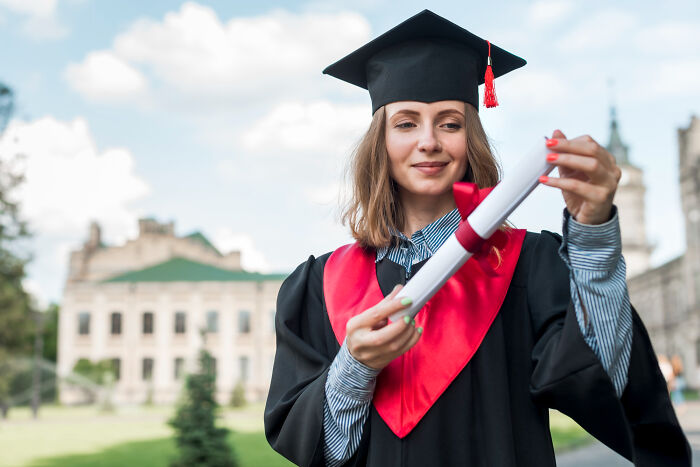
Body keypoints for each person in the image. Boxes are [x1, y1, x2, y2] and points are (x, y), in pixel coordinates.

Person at [264, 10, 690, 467]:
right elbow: (320, 455)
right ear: (379, 144)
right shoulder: (320, 284)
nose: (428, 141)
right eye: (406, 124)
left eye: (449, 123)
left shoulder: (529, 266)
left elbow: (606, 383)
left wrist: (593, 238)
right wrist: (355, 369)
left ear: (472, 140)